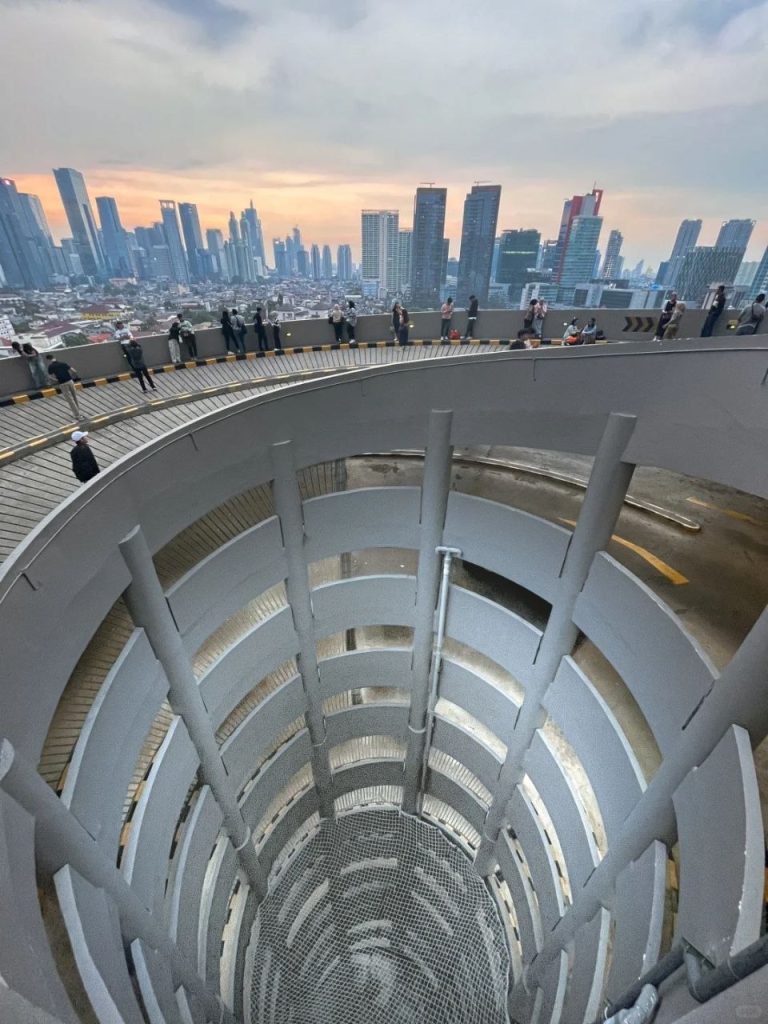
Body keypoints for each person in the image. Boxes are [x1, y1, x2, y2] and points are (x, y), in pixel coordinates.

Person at [45, 354, 82, 420]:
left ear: (48, 360)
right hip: (70, 381)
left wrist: (56, 380)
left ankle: (77, 415)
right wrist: (74, 377)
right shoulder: (63, 363)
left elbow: (49, 376)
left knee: (70, 400)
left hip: (62, 383)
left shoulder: (50, 367)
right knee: (74, 396)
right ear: (54, 357)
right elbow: (74, 371)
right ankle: (78, 411)